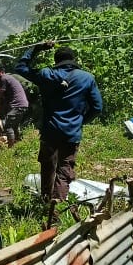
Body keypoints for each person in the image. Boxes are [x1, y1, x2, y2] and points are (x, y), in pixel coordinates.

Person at [15, 41, 103, 221]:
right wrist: (81, 121)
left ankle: (47, 203)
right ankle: (57, 205)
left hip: (50, 131)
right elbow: (97, 107)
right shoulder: (86, 78)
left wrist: (36, 49)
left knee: (47, 166)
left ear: (57, 61)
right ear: (73, 60)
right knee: (64, 169)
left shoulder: (46, 75)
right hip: (71, 133)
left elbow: (21, 67)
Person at [0, 65, 30, 147]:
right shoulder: (8, 78)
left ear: (2, 72)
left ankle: (11, 147)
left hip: (17, 105)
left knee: (8, 126)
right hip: (22, 104)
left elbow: (1, 95)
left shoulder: (4, 78)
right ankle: (18, 145)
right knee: (14, 126)